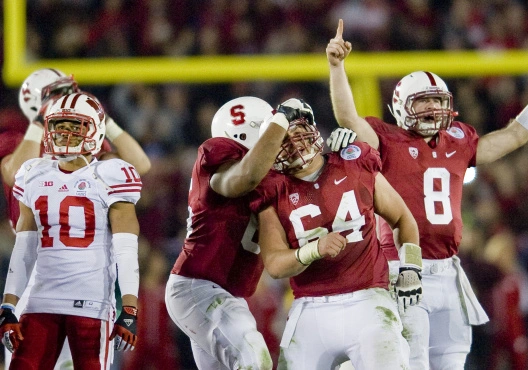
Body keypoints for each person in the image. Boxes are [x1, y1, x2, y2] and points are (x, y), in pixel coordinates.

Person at [326, 18, 528, 369]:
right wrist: (337, 68)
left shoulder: (458, 140)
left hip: (448, 270)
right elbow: (349, 118)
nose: (432, 110)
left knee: (452, 363)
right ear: (400, 107)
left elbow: (514, 135)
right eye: (422, 103)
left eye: (436, 101)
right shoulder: (387, 140)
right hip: (403, 267)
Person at [250, 98, 421, 369]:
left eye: (297, 132)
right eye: (284, 138)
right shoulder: (272, 191)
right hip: (311, 307)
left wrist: (411, 266)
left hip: (368, 300)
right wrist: (314, 249)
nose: (294, 142)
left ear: (313, 129)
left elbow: (402, 218)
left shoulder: (354, 162)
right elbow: (275, 265)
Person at [0, 68, 151, 369]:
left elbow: (141, 164)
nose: (65, 134)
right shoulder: (26, 158)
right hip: (37, 285)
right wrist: (9, 303)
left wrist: (100, 116)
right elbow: (16, 172)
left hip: (89, 291)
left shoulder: (102, 166)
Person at [164, 96, 311, 370]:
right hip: (198, 286)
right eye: (273, 131)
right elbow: (246, 178)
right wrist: (279, 121)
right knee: (254, 357)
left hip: (229, 295)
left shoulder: (272, 179)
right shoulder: (219, 157)